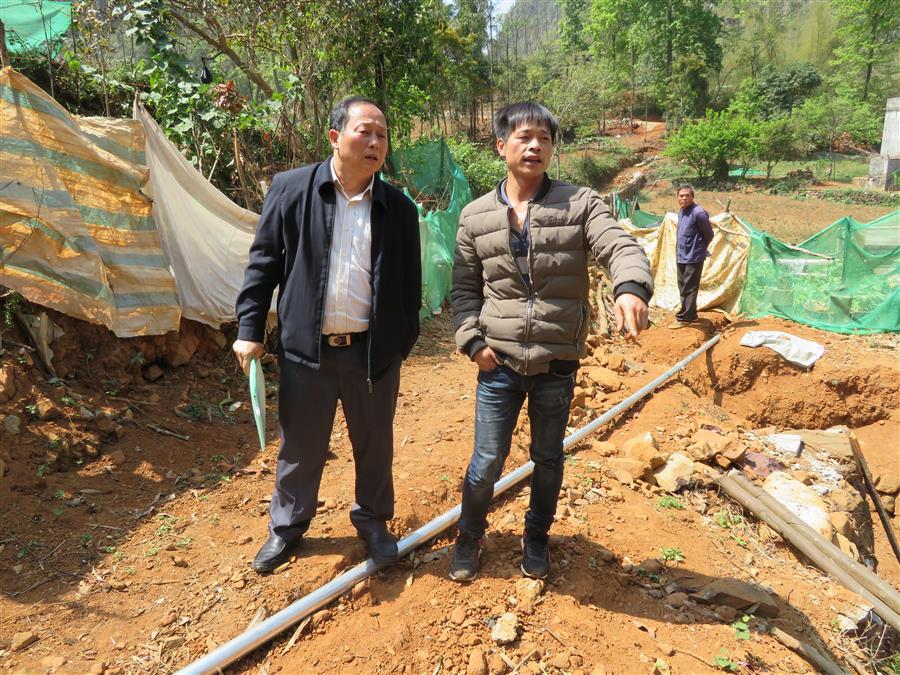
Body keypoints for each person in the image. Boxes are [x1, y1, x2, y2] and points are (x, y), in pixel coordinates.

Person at [449, 101, 653, 582]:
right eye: (524, 137)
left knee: (547, 458)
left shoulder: (580, 204)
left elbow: (618, 244)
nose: (535, 146)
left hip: (556, 363)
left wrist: (630, 286)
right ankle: (469, 535)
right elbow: (464, 290)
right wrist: (473, 343)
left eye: (544, 138)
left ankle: (536, 536)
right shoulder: (475, 216)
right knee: (486, 463)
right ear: (501, 146)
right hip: (498, 363)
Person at [233, 96, 422, 573]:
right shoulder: (291, 190)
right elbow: (262, 264)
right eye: (365, 131)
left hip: (371, 354)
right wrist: (249, 328)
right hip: (306, 353)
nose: (376, 142)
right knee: (300, 447)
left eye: (382, 134)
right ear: (335, 137)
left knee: (375, 444)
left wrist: (400, 342)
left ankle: (373, 521)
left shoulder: (398, 208)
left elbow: (409, 285)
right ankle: (287, 528)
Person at [670, 184, 713, 328]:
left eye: (687, 195)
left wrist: (699, 249)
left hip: (694, 257)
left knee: (689, 287)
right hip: (681, 255)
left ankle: (684, 318)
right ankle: (691, 314)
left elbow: (709, 234)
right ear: (677, 197)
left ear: (692, 197)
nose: (684, 198)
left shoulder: (699, 213)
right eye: (681, 196)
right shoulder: (682, 211)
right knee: (683, 286)